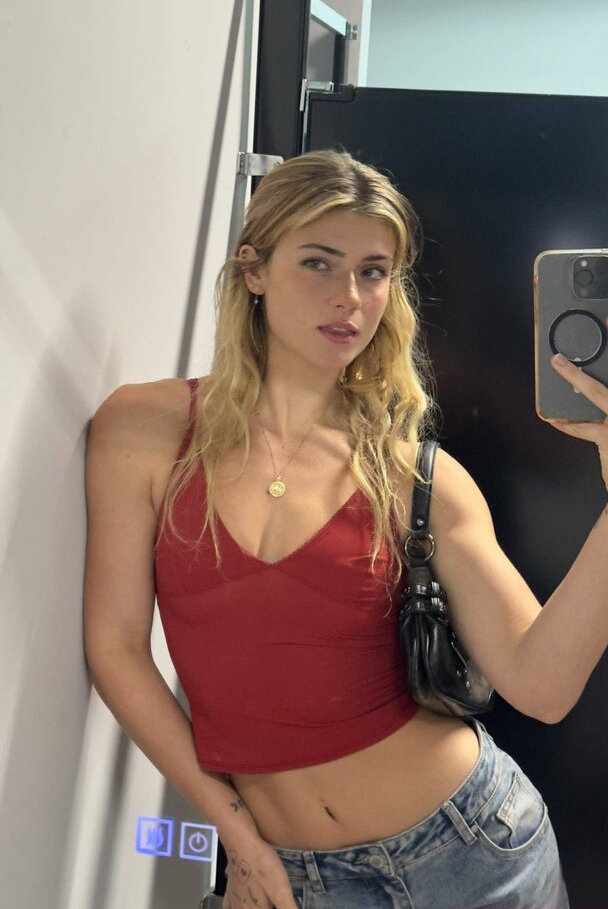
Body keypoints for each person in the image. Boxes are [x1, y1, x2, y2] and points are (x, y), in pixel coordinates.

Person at [83, 148, 608, 909]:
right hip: (294, 876)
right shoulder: (144, 428)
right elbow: (115, 648)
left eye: (373, 271)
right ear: (254, 270)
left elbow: (544, 685)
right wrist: (236, 833)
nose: (349, 298)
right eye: (318, 262)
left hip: (476, 854)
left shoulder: (415, 477)